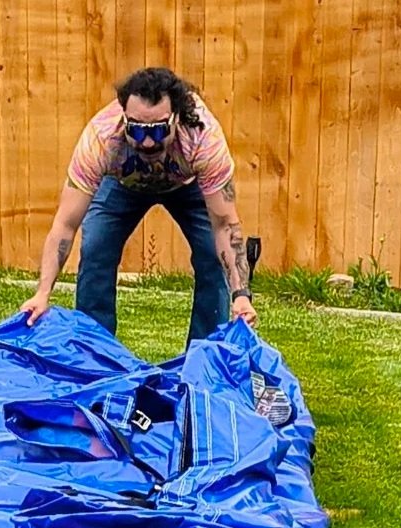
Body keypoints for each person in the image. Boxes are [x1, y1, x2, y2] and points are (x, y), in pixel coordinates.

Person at [20, 67, 256, 343]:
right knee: (95, 248)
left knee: (212, 255)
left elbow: (225, 225)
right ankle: (94, 351)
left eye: (158, 131)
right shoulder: (101, 138)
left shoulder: (203, 137)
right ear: (124, 118)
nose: (147, 142)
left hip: (187, 186)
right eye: (137, 130)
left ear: (177, 118)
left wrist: (241, 295)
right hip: (122, 185)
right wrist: (42, 293)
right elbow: (65, 224)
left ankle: (206, 354)